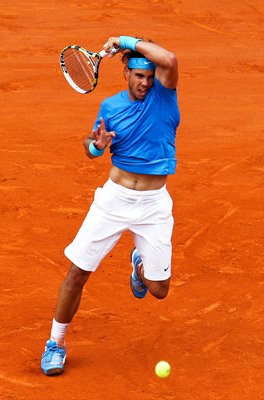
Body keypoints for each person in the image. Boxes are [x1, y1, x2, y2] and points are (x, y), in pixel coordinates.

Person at [41, 35, 180, 375]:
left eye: (150, 76)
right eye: (139, 76)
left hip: (153, 205)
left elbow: (171, 60)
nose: (145, 82)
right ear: (126, 73)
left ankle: (140, 267)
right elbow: (90, 142)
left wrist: (126, 39)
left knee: (159, 291)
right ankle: (55, 343)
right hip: (114, 199)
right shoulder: (111, 107)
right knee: (77, 273)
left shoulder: (165, 96)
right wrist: (96, 147)